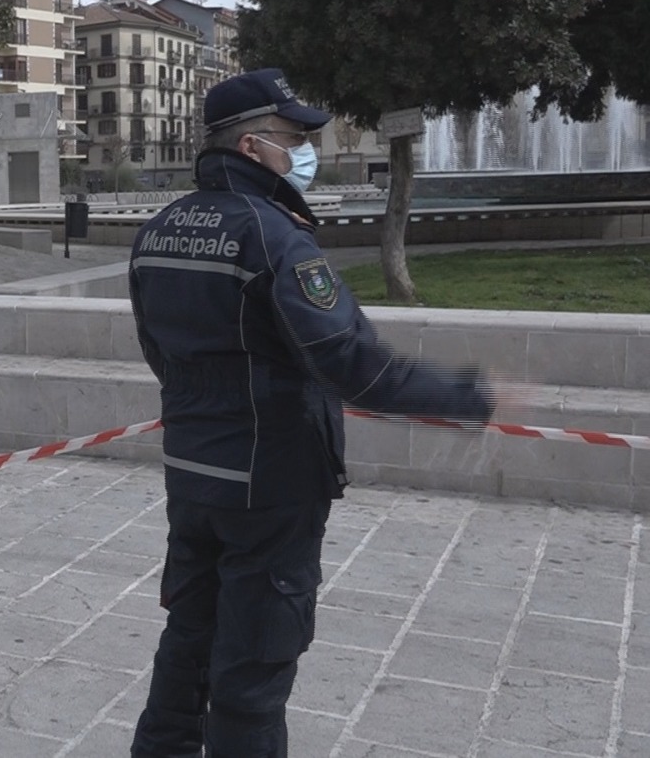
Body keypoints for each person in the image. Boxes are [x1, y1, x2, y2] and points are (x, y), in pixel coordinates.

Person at [127, 68, 501, 757]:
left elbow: (159, 353)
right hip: (271, 482)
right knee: (254, 672)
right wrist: (467, 398)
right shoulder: (274, 238)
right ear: (249, 146)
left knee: (187, 644)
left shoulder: (159, 231)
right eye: (294, 138)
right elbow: (356, 366)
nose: (307, 151)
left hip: (192, 473)